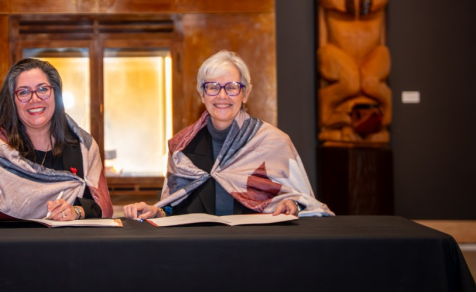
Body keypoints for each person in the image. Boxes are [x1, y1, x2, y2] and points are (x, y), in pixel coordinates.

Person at [124, 50, 333, 220]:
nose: (222, 95)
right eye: (213, 87)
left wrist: (293, 204)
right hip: (195, 249)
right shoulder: (181, 146)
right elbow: (172, 207)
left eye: (232, 87)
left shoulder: (274, 142)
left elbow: (304, 201)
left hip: (257, 248)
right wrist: (156, 211)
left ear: (245, 94)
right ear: (202, 94)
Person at [0, 58, 113, 224]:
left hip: (64, 244)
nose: (34, 99)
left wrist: (76, 211)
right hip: (0, 243)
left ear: (55, 93)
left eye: (43, 89)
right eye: (24, 92)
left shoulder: (82, 146)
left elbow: (101, 206)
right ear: (12, 100)